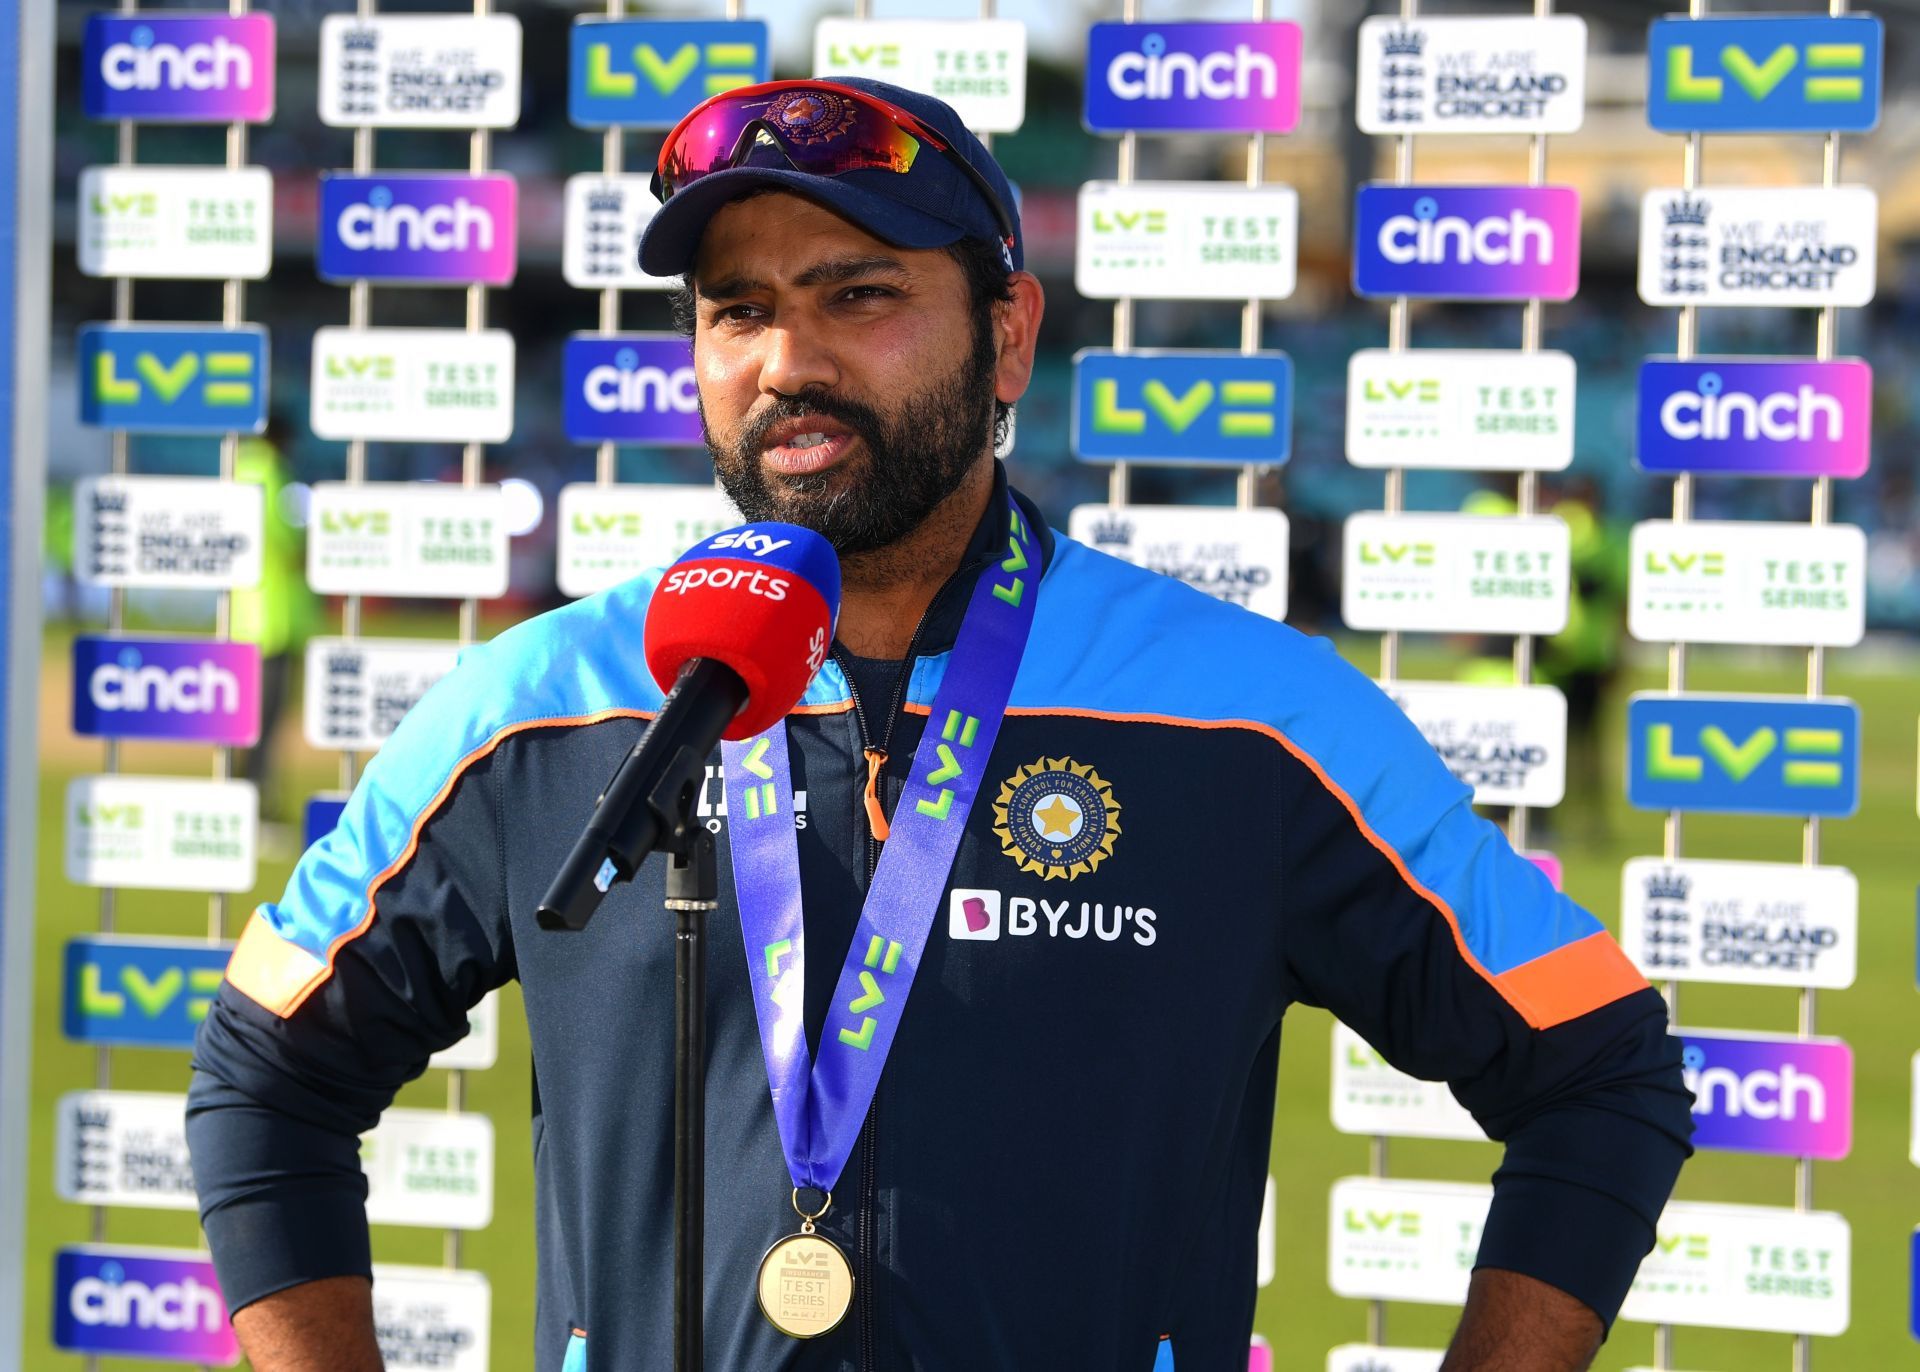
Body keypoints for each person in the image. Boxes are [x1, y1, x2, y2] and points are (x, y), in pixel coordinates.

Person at [187, 78, 1691, 1372]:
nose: (788, 363)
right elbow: (267, 1075)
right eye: (739, 313)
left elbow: (1601, 1072)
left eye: (860, 294)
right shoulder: (544, 702)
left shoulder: (1254, 715)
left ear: (1009, 334)